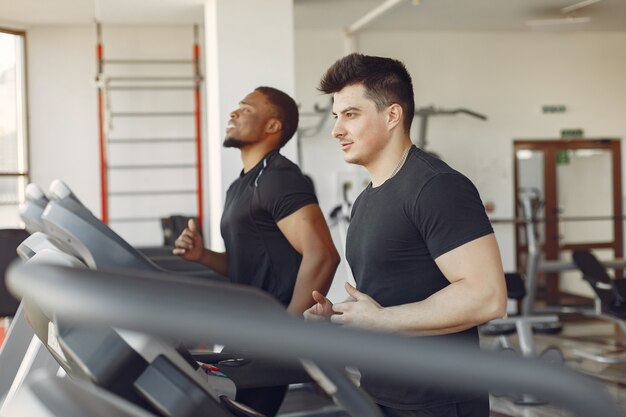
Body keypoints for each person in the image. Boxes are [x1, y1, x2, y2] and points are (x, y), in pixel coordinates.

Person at [304, 53, 507, 417]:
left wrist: (381, 320)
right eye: (336, 117)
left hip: (439, 400)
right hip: (382, 393)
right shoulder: (366, 200)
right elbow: (390, 299)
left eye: (350, 115)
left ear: (392, 115)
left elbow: (487, 297)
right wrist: (340, 318)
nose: (336, 130)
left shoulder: (437, 186)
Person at [174, 86, 340, 416]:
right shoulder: (240, 185)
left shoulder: (279, 177)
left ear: (272, 126)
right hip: (247, 328)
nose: (234, 113)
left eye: (246, 109)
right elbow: (247, 263)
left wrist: (286, 328)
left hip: (269, 331)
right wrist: (202, 255)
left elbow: (322, 254)